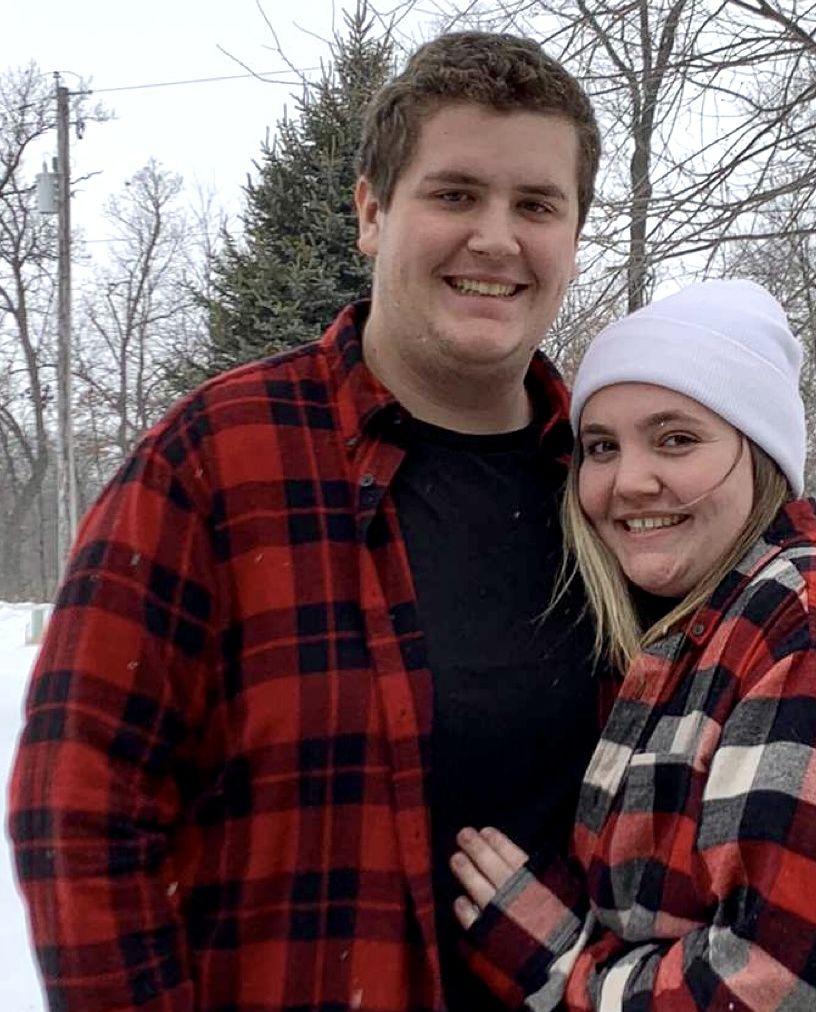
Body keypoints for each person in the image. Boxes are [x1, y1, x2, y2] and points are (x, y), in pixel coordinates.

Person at [7, 32, 608, 1011]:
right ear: (371, 212)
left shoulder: (618, 485)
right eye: (455, 194)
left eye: (536, 205)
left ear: (574, 236)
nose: (496, 239)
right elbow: (79, 805)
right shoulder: (215, 459)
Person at [450, 279, 816, 1010]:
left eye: (676, 439)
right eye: (602, 447)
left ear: (762, 453)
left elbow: (792, 991)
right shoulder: (696, 634)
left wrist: (558, 966)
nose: (629, 481)